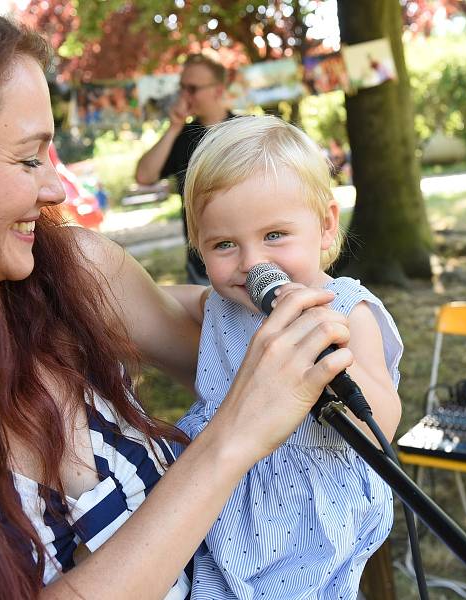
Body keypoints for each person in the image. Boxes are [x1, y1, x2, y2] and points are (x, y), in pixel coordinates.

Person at [0, 2, 359, 599]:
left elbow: (224, 328)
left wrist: (344, 314)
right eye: (28, 159)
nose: (55, 187)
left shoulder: (68, 275)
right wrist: (228, 442)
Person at [172, 116, 403, 599]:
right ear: (199, 246)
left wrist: (328, 347)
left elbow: (383, 419)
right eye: (225, 244)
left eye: (275, 235)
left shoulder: (345, 310)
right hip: (223, 496)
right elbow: (178, 301)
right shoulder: (223, 306)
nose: (253, 263)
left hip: (307, 508)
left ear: (324, 226)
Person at [135, 54, 234, 285]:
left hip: (251, 258)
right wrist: (174, 127)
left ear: (218, 91)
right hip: (202, 267)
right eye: (182, 88)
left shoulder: (246, 131)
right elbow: (144, 176)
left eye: (192, 88)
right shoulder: (181, 137)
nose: (184, 96)